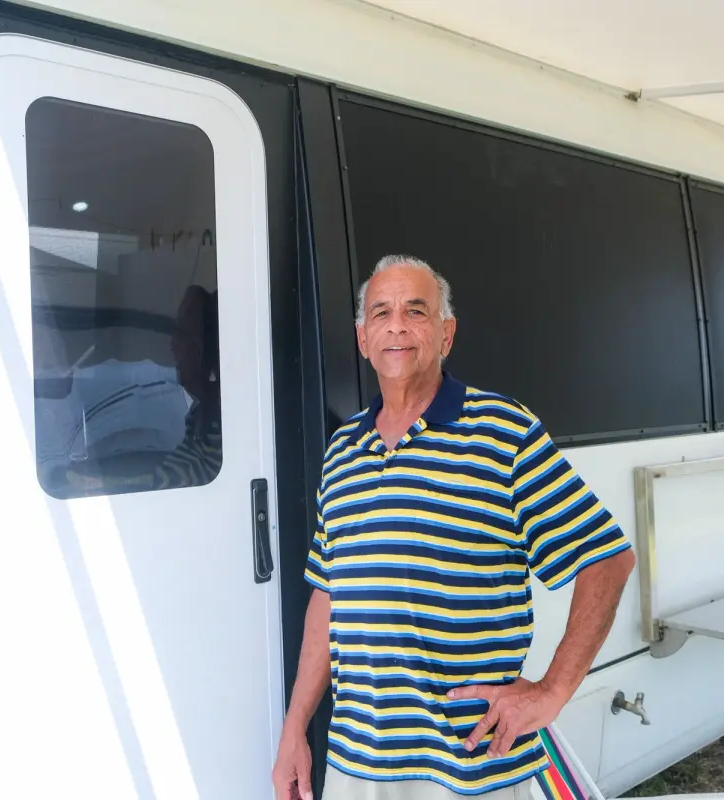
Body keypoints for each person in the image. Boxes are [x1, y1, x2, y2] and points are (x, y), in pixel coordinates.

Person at [272, 255, 636, 799]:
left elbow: (607, 557)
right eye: (381, 313)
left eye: (415, 311)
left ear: (446, 334)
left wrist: (551, 691)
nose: (396, 325)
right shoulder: (343, 449)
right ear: (362, 339)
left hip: (470, 761)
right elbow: (329, 595)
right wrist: (295, 726)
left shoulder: (501, 431)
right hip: (359, 762)